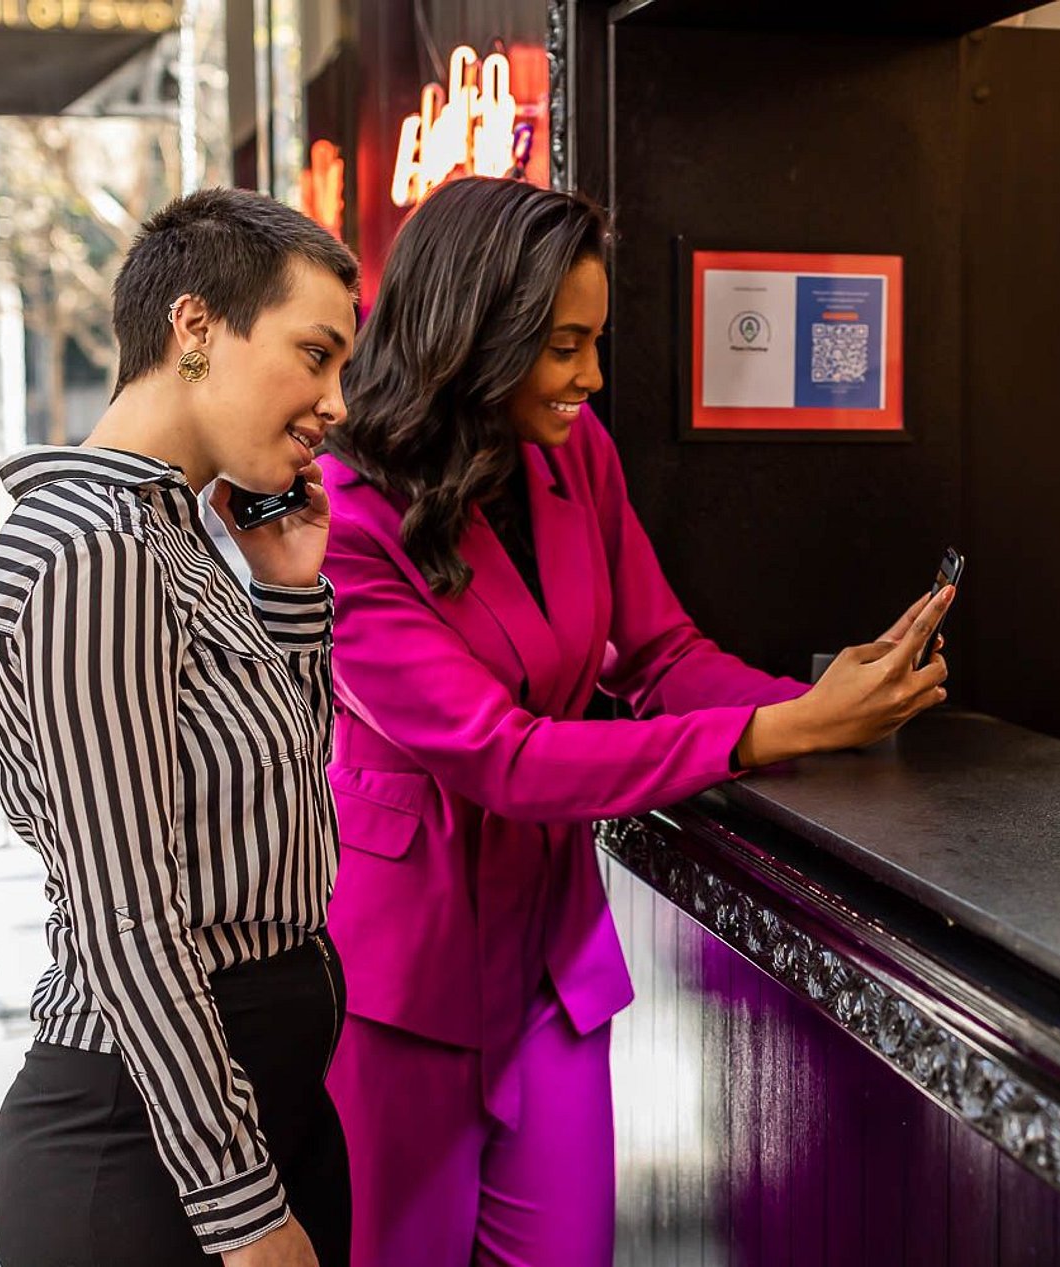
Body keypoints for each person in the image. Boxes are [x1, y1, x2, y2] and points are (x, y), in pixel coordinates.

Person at [318, 176, 952, 1267]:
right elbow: (501, 757)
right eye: (564, 347)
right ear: (475, 336)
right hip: (401, 987)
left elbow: (662, 656)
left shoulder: (575, 452)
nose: (592, 377)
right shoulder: (341, 515)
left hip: (548, 965)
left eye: (594, 341)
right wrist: (777, 736)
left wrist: (818, 706)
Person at [0, 188, 359, 1266]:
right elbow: (129, 917)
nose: (336, 403)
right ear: (195, 327)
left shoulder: (173, 531)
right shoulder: (95, 547)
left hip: (244, 1111)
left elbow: (274, 805)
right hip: (147, 1153)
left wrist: (288, 592)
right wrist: (243, 1211)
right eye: (314, 355)